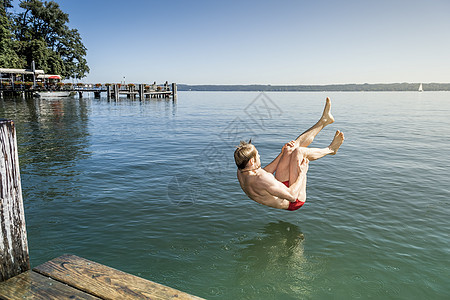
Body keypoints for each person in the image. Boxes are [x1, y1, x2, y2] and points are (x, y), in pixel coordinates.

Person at [234, 97, 344, 211]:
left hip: (279, 188)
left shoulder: (242, 169)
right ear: (252, 161)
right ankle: (331, 150)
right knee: (299, 152)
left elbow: (265, 173)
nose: (260, 156)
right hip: (294, 200)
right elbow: (292, 196)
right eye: (257, 155)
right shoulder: (261, 179)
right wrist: (302, 173)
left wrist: (282, 153)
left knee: (290, 148)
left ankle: (324, 120)